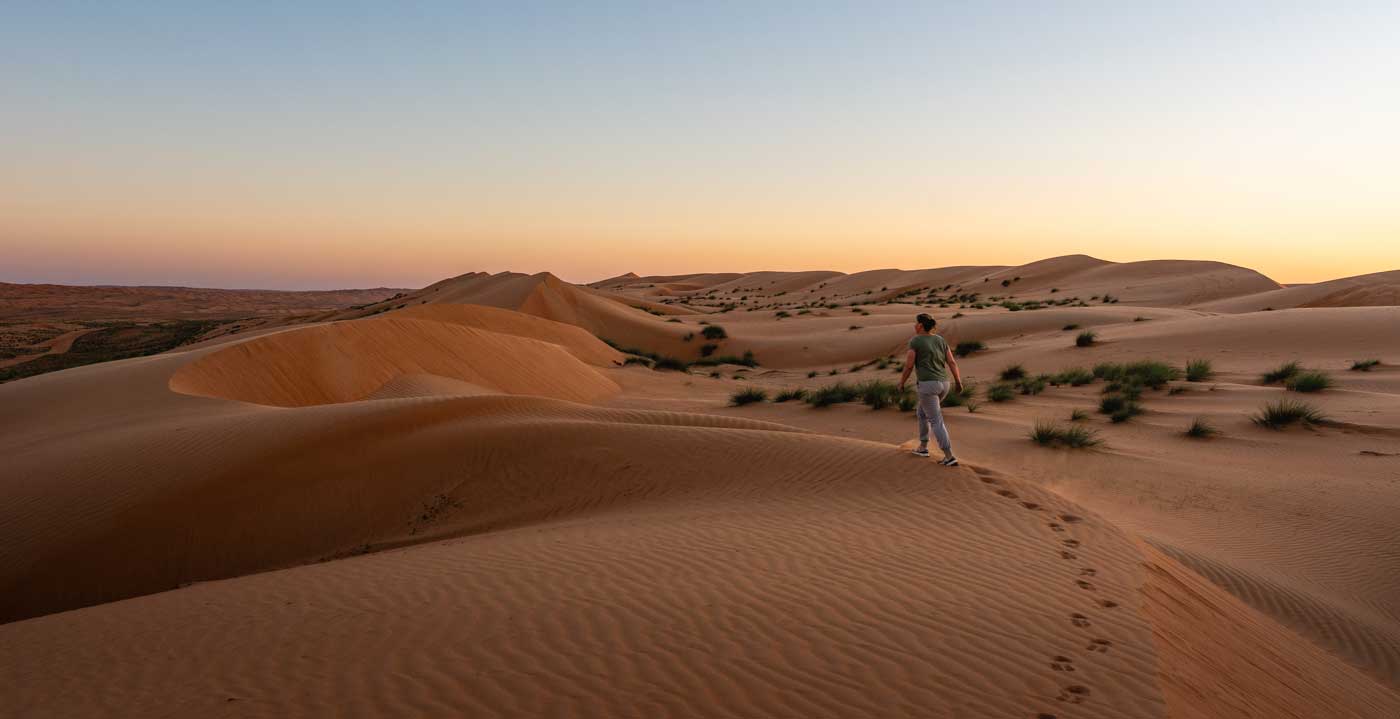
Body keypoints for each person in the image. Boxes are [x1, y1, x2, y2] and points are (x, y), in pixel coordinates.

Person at [897, 313, 964, 465]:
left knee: (936, 420)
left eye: (916, 323)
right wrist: (958, 382)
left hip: (928, 385)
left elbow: (909, 365)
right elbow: (952, 362)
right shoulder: (940, 340)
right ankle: (923, 447)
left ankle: (949, 456)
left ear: (920, 325)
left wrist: (901, 382)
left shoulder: (916, 341)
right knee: (921, 413)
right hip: (944, 384)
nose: (914, 326)